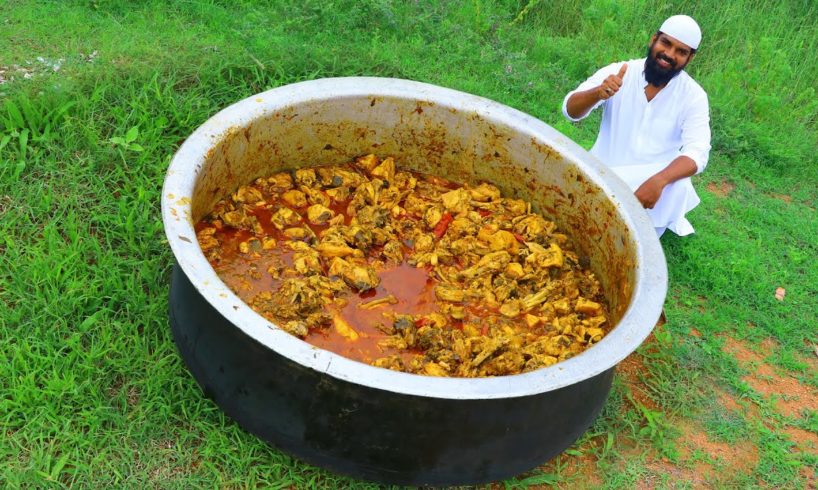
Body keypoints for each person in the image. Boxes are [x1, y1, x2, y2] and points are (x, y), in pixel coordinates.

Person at [562, 15, 711, 237]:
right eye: (666, 43)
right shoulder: (621, 71)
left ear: (689, 59)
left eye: (681, 51)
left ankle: (644, 233)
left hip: (651, 181)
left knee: (678, 185)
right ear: (654, 40)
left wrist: (659, 181)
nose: (669, 55)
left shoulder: (693, 96)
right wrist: (597, 93)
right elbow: (570, 111)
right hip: (605, 170)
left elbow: (698, 153)